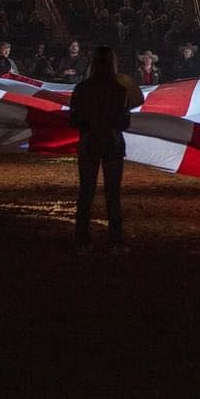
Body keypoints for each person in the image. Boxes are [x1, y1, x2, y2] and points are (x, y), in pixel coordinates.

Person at [69, 46, 134, 255]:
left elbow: (74, 120)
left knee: (86, 192)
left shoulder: (81, 88)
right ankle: (115, 241)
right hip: (112, 144)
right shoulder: (120, 90)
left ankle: (82, 241)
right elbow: (124, 123)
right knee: (112, 195)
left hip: (89, 143)